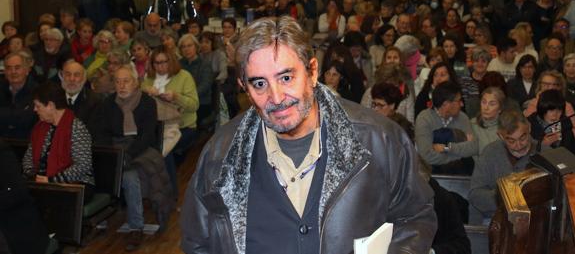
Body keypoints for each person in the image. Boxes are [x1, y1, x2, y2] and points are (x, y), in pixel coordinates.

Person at [180, 16, 436, 254]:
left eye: (287, 77)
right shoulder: (220, 154)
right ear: (243, 88)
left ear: (313, 71)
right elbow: (197, 242)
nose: (276, 97)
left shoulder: (380, 140)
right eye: (259, 83)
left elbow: (415, 218)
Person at [92, 65, 174, 251]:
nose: (121, 85)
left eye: (126, 81)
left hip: (140, 147)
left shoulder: (147, 102)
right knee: (94, 164)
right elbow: (101, 132)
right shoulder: (107, 104)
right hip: (115, 146)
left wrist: (127, 154)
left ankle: (136, 226)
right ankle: (100, 218)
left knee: (130, 177)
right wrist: (113, 154)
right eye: (118, 81)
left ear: (136, 82)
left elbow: (147, 136)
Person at [142, 46, 199, 195]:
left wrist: (176, 97)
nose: (160, 66)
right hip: (156, 128)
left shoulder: (184, 76)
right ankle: (153, 189)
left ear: (171, 61)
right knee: (153, 148)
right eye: (156, 63)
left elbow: (194, 105)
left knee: (163, 151)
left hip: (183, 127)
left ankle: (171, 194)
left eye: (164, 62)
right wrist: (146, 92)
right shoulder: (148, 79)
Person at [22, 82, 95, 194]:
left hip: (76, 185)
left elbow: (82, 166)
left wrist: (51, 180)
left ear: (50, 106)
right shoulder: (40, 127)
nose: (35, 110)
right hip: (42, 182)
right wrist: (34, 177)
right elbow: (28, 158)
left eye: (38, 106)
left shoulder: (76, 128)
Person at [469, 110, 537, 224]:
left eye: (523, 138)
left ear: (529, 128)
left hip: (533, 221)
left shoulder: (545, 153)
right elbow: (475, 194)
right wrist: (505, 198)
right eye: (511, 141)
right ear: (500, 135)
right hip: (495, 219)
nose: (518, 145)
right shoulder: (490, 153)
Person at [414, 81, 477, 175]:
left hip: (460, 173)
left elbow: (473, 148)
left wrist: (447, 148)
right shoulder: (424, 118)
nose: (462, 104)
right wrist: (459, 155)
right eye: (459, 101)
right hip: (432, 174)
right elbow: (426, 156)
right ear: (445, 104)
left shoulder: (462, 118)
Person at [179, 34, 214, 132]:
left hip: (201, 102)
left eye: (189, 46)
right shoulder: (178, 64)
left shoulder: (205, 64)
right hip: (180, 101)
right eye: (183, 47)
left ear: (196, 47)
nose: (186, 49)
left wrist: (187, 98)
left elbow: (205, 86)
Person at [0, 51, 38, 139]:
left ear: (27, 70)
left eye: (17, 68)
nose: (13, 72)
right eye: (9, 68)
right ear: (4, 72)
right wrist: (20, 114)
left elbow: (29, 120)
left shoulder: (37, 92)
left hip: (26, 145)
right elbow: (23, 117)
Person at [527, 89, 575, 154]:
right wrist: (542, 145)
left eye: (559, 111)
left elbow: (572, 153)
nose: (555, 115)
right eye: (551, 110)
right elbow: (523, 154)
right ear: (542, 109)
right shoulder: (529, 124)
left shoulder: (566, 123)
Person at [60, 59, 100, 132]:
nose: (72, 79)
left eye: (77, 75)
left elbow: (92, 131)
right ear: (62, 77)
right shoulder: (53, 97)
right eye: (68, 74)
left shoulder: (95, 102)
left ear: (84, 79)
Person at [471, 87, 505, 155]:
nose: (486, 108)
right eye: (484, 102)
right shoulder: (471, 124)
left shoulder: (507, 127)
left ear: (500, 109)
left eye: (492, 104)